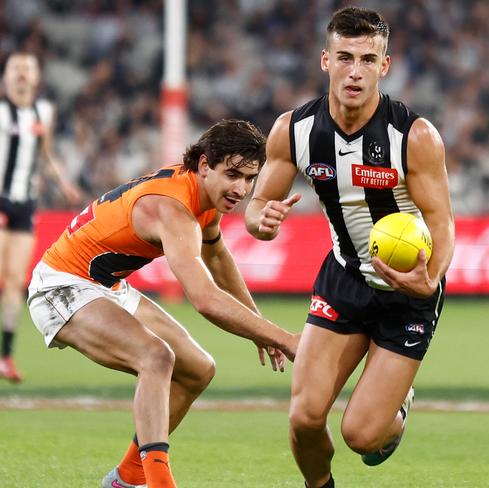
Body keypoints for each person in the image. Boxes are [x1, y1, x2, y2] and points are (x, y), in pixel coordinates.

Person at [245, 7, 454, 488]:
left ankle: (396, 405)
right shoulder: (293, 130)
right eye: (344, 57)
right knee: (303, 417)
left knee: (361, 436)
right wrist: (262, 220)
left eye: (366, 59)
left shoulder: (414, 136)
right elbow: (257, 205)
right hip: (344, 277)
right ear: (325, 60)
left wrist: (431, 277)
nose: (354, 71)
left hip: (409, 292)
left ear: (385, 66)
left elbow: (443, 222)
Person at [27, 119, 299, 488]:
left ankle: (126, 477)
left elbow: (217, 257)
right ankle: (159, 482)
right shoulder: (171, 208)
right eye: (233, 174)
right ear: (205, 165)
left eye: (250, 178)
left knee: (199, 368)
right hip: (61, 284)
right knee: (156, 357)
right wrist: (284, 337)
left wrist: (258, 327)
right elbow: (204, 299)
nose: (242, 188)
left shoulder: (204, 194)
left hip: (106, 285)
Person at [0, 51, 80, 382]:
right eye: (15, 68)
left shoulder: (43, 111)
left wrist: (64, 183)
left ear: (36, 77)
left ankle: (5, 356)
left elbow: (45, 154)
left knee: (16, 281)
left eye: (27, 68)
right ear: (5, 76)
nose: (21, 74)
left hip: (26, 204)